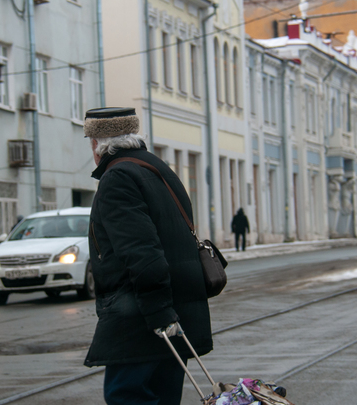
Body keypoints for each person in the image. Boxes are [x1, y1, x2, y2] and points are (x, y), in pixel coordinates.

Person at [82, 107, 213, 405]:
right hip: (175, 310)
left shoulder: (118, 178)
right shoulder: (157, 168)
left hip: (144, 317)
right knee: (164, 396)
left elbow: (141, 251)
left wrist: (158, 315)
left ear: (97, 144)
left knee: (126, 395)